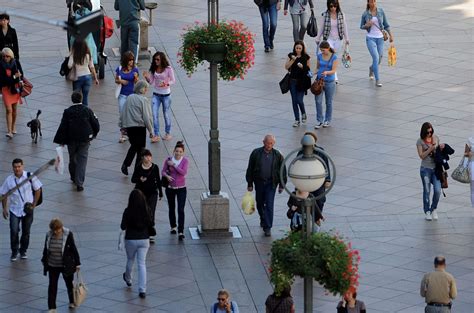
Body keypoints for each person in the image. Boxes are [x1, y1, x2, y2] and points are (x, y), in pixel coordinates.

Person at [53, 90, 100, 191]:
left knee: (72, 158)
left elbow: (63, 126)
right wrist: (94, 134)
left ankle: (73, 176)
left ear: (72, 100)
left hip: (71, 139)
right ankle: (80, 182)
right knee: (82, 160)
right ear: (81, 99)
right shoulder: (87, 110)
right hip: (85, 138)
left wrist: (61, 141)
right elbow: (95, 123)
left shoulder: (68, 111)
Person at [1, 158, 42, 261]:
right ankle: (14, 251)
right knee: (14, 231)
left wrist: (34, 204)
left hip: (27, 209)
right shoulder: (9, 180)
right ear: (13, 168)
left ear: (22, 166)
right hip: (14, 209)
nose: (17, 169)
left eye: (19, 166)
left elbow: (38, 190)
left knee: (26, 231)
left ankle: (23, 250)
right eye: (15, 167)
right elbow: (3, 194)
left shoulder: (29, 176)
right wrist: (4, 209)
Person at [246, 134, 287, 237]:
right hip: (259, 182)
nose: (269, 145)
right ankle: (263, 218)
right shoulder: (256, 153)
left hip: (271, 183)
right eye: (268, 143)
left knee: (269, 204)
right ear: (263, 142)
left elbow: (283, 170)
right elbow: (250, 168)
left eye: (271, 143)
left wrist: (282, 185)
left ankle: (267, 227)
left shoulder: (277, 155)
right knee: (259, 203)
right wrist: (250, 183)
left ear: (274, 144)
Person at [41, 218, 81, 312]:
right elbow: (46, 248)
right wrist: (44, 259)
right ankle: (52, 307)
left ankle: (72, 301)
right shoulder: (48, 234)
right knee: (52, 286)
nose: (55, 232)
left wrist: (77, 263)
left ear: (61, 227)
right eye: (53, 230)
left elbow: (73, 249)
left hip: (65, 265)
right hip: (52, 265)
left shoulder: (68, 234)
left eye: (57, 229)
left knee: (69, 284)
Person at [121, 189, 154, 299]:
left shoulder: (128, 211)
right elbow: (151, 222)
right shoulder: (146, 209)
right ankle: (142, 290)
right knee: (142, 264)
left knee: (130, 259)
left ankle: (128, 279)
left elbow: (122, 226)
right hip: (144, 239)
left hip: (130, 238)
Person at [119, 80, 154, 176]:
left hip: (130, 127)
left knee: (134, 146)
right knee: (140, 150)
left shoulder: (129, 97)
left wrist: (122, 125)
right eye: (146, 88)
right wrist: (151, 130)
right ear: (142, 89)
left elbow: (123, 111)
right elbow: (147, 117)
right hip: (140, 128)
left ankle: (126, 164)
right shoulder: (144, 100)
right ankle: (136, 171)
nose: (147, 90)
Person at [131, 149, 163, 242]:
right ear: (142, 158)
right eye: (146, 156)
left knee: (151, 211)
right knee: (143, 212)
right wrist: (140, 179)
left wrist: (160, 192)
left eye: (149, 156)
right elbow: (133, 179)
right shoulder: (139, 167)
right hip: (141, 194)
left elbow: (158, 180)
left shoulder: (155, 167)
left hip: (153, 193)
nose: (148, 158)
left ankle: (151, 233)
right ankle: (144, 231)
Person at [143, 51, 176, 143]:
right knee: (154, 114)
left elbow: (173, 80)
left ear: (162, 60)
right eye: (155, 59)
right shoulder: (154, 69)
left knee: (166, 114)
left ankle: (167, 133)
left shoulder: (168, 69)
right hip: (156, 94)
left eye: (158, 59)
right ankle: (156, 135)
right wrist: (147, 78)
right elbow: (152, 82)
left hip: (166, 95)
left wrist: (166, 83)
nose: (156, 61)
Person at [360, 0, 394, 87]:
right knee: (376, 57)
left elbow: (386, 24)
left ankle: (372, 68)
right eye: (371, 2)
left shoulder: (381, 11)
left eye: (374, 1)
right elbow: (361, 26)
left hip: (380, 38)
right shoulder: (365, 14)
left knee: (380, 57)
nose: (373, 3)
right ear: (368, 3)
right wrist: (367, 25)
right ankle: (377, 79)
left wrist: (391, 35)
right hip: (370, 38)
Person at [315, 0, 349, 83]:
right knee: (329, 55)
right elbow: (321, 27)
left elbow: (344, 26)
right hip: (328, 38)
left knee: (334, 57)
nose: (333, 8)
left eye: (335, 6)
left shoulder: (341, 15)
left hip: (338, 38)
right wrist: (318, 37)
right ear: (328, 6)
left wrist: (347, 38)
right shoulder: (325, 15)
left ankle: (333, 73)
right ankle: (335, 76)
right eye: (331, 6)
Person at [162, 141, 189, 241]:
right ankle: (173, 226)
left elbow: (183, 172)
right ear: (174, 151)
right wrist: (166, 176)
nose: (178, 153)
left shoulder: (185, 161)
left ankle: (181, 231)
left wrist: (174, 165)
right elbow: (163, 171)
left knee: (181, 209)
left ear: (183, 153)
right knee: (171, 207)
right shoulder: (168, 160)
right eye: (176, 151)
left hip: (181, 188)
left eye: (180, 151)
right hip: (170, 188)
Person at [416, 122, 441, 221]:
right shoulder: (420, 141)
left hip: (436, 169)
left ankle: (433, 208)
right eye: (428, 132)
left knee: (438, 190)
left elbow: (439, 152)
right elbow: (421, 156)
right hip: (425, 169)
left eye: (431, 131)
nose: (429, 134)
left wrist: (439, 147)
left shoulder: (435, 138)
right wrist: (430, 149)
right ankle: (427, 211)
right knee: (427, 190)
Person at [284, 40, 311, 127]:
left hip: (302, 81)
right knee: (294, 101)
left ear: (302, 48)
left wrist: (303, 67)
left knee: (299, 100)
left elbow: (308, 70)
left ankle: (303, 113)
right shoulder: (291, 55)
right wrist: (293, 60)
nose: (298, 50)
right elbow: (286, 67)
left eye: (300, 48)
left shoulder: (306, 57)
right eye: (297, 48)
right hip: (292, 80)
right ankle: (297, 119)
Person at [115, 51, 139, 143]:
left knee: (132, 114)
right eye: (129, 60)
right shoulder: (120, 69)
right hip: (122, 95)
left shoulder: (135, 69)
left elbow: (137, 83)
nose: (131, 62)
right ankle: (123, 133)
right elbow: (116, 80)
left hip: (132, 95)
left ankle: (131, 132)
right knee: (122, 113)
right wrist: (122, 81)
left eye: (132, 60)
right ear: (126, 60)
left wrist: (136, 78)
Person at [314, 41, 338, 129]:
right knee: (318, 101)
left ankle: (327, 120)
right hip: (319, 81)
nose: (322, 52)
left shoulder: (334, 57)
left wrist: (327, 72)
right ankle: (320, 120)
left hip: (329, 82)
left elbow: (334, 70)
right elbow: (317, 67)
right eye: (321, 50)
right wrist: (312, 73)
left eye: (323, 50)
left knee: (329, 102)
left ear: (328, 48)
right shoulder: (319, 56)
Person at [68, 39, 99, 106]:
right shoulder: (88, 53)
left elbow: (69, 65)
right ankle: (85, 113)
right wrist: (96, 78)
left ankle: (78, 113)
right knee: (85, 98)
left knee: (76, 98)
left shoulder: (74, 54)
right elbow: (92, 67)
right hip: (87, 77)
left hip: (78, 77)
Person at [0, 47, 22, 138]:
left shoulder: (16, 63)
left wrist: (18, 79)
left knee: (14, 110)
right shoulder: (0, 65)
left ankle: (13, 127)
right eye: (3, 56)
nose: (5, 58)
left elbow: (20, 74)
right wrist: (14, 77)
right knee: (9, 110)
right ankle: (9, 131)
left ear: (11, 56)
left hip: (14, 89)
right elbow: (3, 80)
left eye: (7, 56)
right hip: (5, 89)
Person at [466, 137, 474, 208]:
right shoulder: (470, 140)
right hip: (472, 165)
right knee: (473, 188)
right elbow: (465, 153)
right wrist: (469, 154)